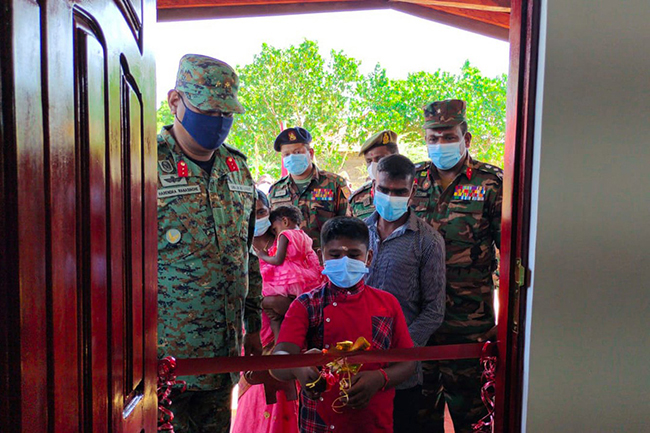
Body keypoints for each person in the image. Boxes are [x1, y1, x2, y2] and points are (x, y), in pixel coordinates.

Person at [157, 54, 262, 433]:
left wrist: (253, 328)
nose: (218, 123)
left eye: (226, 114)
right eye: (207, 111)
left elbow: (246, 252)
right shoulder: (140, 165)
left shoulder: (238, 168)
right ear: (175, 102)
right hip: (163, 359)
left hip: (222, 354)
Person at [271, 217, 416, 433]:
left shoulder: (387, 304)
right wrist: (298, 366)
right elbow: (278, 360)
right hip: (318, 424)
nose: (344, 261)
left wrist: (379, 378)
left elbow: (408, 362)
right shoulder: (306, 305)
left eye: (354, 255)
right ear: (321, 257)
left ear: (369, 258)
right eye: (335, 255)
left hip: (374, 422)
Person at [411, 99, 502, 433]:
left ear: (467, 138)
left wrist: (506, 319)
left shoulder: (491, 183)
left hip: (469, 323)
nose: (439, 144)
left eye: (447, 136)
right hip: (419, 323)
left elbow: (510, 258)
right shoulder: (412, 181)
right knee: (419, 416)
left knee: (473, 416)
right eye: (432, 138)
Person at [364, 154, 446, 433]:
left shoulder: (428, 241)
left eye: (399, 192)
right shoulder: (359, 233)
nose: (390, 196)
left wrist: (399, 349)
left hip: (400, 373)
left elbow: (434, 310)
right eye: (384, 189)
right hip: (355, 364)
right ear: (374, 186)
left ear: (411, 192)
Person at [231, 190, 301, 433]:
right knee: (256, 400)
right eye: (249, 212)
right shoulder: (234, 249)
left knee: (288, 404)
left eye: (261, 212)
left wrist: (287, 304)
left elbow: (309, 285)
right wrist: (267, 301)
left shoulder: (289, 244)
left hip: (289, 337)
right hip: (253, 338)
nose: (255, 218)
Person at [268, 127, 351, 250]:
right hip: (288, 264)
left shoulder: (334, 184)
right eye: (287, 154)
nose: (292, 157)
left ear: (310, 153)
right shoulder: (275, 190)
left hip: (323, 261)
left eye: (297, 152)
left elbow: (347, 226)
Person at [254, 204, 326, 339]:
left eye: (275, 229)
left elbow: (278, 260)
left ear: (285, 222)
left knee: (276, 318)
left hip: (287, 281)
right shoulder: (305, 236)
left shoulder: (285, 235)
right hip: (305, 280)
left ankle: (278, 345)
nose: (275, 232)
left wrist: (263, 256)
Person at [349, 130, 400, 220]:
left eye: (380, 158)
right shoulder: (357, 199)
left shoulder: (413, 191)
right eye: (369, 161)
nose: (374, 165)